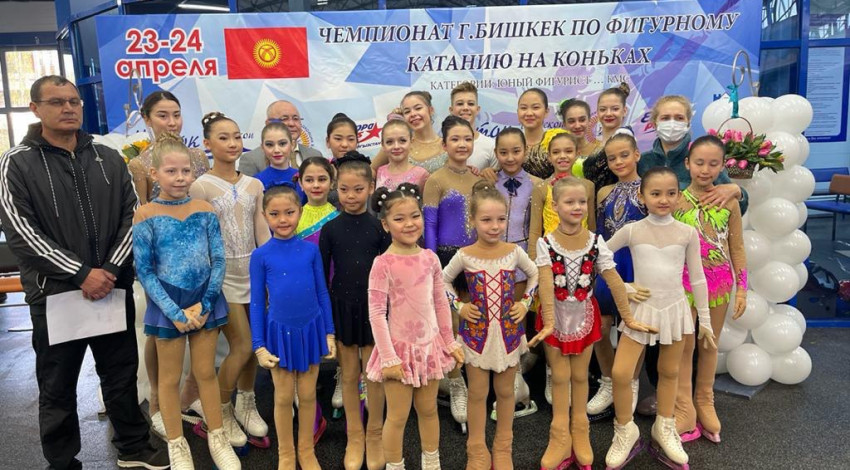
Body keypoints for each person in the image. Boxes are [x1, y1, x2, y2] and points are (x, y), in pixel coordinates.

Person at [0, 75, 168, 470]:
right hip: (56, 294)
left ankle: (133, 447)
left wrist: (108, 270)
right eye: (57, 102)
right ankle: (62, 460)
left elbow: (134, 218)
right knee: (57, 384)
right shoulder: (16, 162)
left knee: (120, 374)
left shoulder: (107, 158)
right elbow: (22, 231)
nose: (68, 108)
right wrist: (80, 274)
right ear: (35, 109)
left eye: (74, 101)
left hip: (111, 288)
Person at [132, 132, 240, 469]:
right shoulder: (145, 214)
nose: (180, 178)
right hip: (168, 304)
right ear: (155, 174)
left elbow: (218, 260)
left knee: (205, 372)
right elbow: (145, 269)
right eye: (171, 171)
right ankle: (177, 445)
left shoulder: (204, 210)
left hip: (204, 299)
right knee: (169, 379)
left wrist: (204, 305)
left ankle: (217, 437)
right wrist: (174, 311)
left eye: (185, 171)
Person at [604, 167, 716, 470]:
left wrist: (704, 319)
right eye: (655, 193)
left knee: (670, 372)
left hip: (675, 309)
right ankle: (625, 430)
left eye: (670, 193)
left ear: (678, 196)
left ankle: (664, 426)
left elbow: (698, 278)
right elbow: (599, 256)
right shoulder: (632, 230)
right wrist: (624, 287)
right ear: (642, 197)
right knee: (621, 373)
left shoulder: (687, 233)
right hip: (641, 310)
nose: (663, 199)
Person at [535, 177, 634, 470]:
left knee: (580, 376)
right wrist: (549, 321)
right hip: (555, 317)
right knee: (559, 376)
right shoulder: (545, 243)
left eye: (581, 202)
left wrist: (628, 316)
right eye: (569, 202)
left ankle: (581, 432)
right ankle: (558, 437)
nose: (577, 207)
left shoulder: (595, 242)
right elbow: (545, 283)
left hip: (584, 316)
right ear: (555, 206)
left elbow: (613, 279)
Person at [185, 112, 271, 447]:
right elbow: (199, 237)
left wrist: (270, 269)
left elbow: (261, 229)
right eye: (223, 137)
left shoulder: (254, 185)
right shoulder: (200, 186)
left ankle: (246, 403)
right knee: (242, 345)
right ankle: (219, 411)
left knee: (255, 345)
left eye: (236, 136)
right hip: (222, 279)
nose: (232, 143)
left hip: (253, 273)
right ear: (207, 143)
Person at [442, 181, 541, 470]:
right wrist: (459, 306)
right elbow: (443, 280)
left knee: (506, 392)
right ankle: (476, 448)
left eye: (501, 219)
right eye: (486, 220)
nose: (495, 226)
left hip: (508, 334)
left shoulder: (513, 252)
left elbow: (535, 274)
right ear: (472, 220)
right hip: (476, 335)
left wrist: (525, 303)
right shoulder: (464, 255)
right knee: (477, 393)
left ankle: (503, 447)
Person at [366, 183, 465, 470]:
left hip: (429, 348)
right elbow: (376, 313)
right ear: (385, 224)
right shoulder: (383, 263)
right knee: (397, 416)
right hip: (398, 352)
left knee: (429, 410)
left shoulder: (430, 258)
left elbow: (440, 302)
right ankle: (395, 465)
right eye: (399, 219)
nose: (409, 224)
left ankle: (431, 462)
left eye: (415, 216)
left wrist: (449, 342)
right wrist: (388, 357)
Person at [250, 184, 336, 470]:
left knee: (309, 395)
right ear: (265, 215)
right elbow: (257, 302)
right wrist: (259, 345)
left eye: (289, 212)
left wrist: (329, 332)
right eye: (275, 214)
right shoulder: (261, 256)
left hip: (311, 330)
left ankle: (306, 450)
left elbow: (322, 292)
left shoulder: (311, 251)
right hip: (279, 334)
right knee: (284, 397)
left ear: (300, 212)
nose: (283, 219)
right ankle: (286, 454)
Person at [673, 136, 747, 442]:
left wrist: (742, 289)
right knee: (683, 345)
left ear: (723, 166)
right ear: (687, 163)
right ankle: (683, 405)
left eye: (713, 164)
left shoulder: (730, 202)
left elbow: (737, 247)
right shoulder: (675, 200)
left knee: (709, 343)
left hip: (718, 284)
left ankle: (705, 398)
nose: (705, 170)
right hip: (682, 284)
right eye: (699, 163)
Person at [319, 153, 390, 470]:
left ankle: (374, 434)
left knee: (373, 376)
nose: (350, 196)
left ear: (371, 187)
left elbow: (389, 273)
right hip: (343, 307)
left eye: (358, 189)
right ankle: (354, 435)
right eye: (344, 189)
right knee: (349, 375)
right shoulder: (330, 229)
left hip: (374, 309)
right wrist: (327, 321)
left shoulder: (380, 228)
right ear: (336, 188)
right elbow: (322, 277)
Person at [423, 116, 483, 432]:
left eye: (467, 139)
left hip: (475, 258)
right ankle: (456, 383)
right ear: (444, 144)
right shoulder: (435, 180)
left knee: (474, 321)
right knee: (451, 323)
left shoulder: (479, 180)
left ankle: (476, 379)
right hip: (446, 259)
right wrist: (434, 264)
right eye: (455, 139)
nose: (462, 144)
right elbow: (430, 225)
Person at [586, 134, 647, 419]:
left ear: (637, 154)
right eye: (612, 158)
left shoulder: (647, 189)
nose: (619, 162)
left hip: (638, 263)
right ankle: (609, 381)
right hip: (608, 263)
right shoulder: (603, 192)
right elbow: (600, 233)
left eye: (624, 155)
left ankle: (630, 382)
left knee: (632, 327)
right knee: (600, 324)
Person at [491, 127, 546, 415]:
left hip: (522, 260)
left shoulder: (538, 185)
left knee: (516, 319)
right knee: (495, 319)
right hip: (492, 258)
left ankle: (517, 381)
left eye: (516, 151)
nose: (510, 157)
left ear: (525, 151)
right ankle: (500, 375)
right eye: (503, 152)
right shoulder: (488, 183)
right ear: (496, 153)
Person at [639, 95, 748, 212]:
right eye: (665, 118)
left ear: (688, 123)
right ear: (654, 124)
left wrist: (737, 192)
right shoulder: (644, 161)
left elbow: (736, 208)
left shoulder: (703, 157)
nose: (672, 123)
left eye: (679, 118)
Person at [128, 91, 210, 205]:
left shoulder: (199, 156)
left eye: (176, 115)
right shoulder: (139, 165)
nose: (172, 123)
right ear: (147, 119)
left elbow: (209, 198)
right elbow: (141, 208)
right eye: (163, 116)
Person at [239, 100, 323, 176]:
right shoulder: (251, 159)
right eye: (284, 119)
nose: (291, 124)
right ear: (268, 123)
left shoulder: (315, 155)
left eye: (295, 119)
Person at [370, 91, 448, 174]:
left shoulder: (447, 144)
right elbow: (370, 171)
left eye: (418, 108)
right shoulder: (398, 144)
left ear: (430, 110)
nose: (413, 114)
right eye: (407, 112)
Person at [583, 83, 634, 191]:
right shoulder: (596, 145)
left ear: (624, 111)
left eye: (615, 109)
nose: (608, 114)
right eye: (603, 109)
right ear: (597, 112)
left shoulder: (624, 136)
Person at [448, 82, 498, 170]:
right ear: (451, 110)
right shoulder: (443, 146)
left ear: (477, 109)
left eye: (470, 104)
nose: (465, 108)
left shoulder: (491, 146)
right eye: (460, 104)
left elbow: (496, 177)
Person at [253, 122, 307, 202]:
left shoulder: (303, 178)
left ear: (292, 145)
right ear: (262, 147)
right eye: (270, 145)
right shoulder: (256, 181)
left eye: (282, 144)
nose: (276, 150)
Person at [375, 118, 429, 191]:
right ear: (383, 145)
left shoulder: (422, 174)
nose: (396, 146)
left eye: (402, 141)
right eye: (389, 142)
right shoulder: (380, 171)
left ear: (411, 142)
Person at [558, 98, 602, 178]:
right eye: (572, 121)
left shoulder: (599, 151)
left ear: (589, 120)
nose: (577, 126)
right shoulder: (557, 153)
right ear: (564, 124)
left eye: (582, 120)